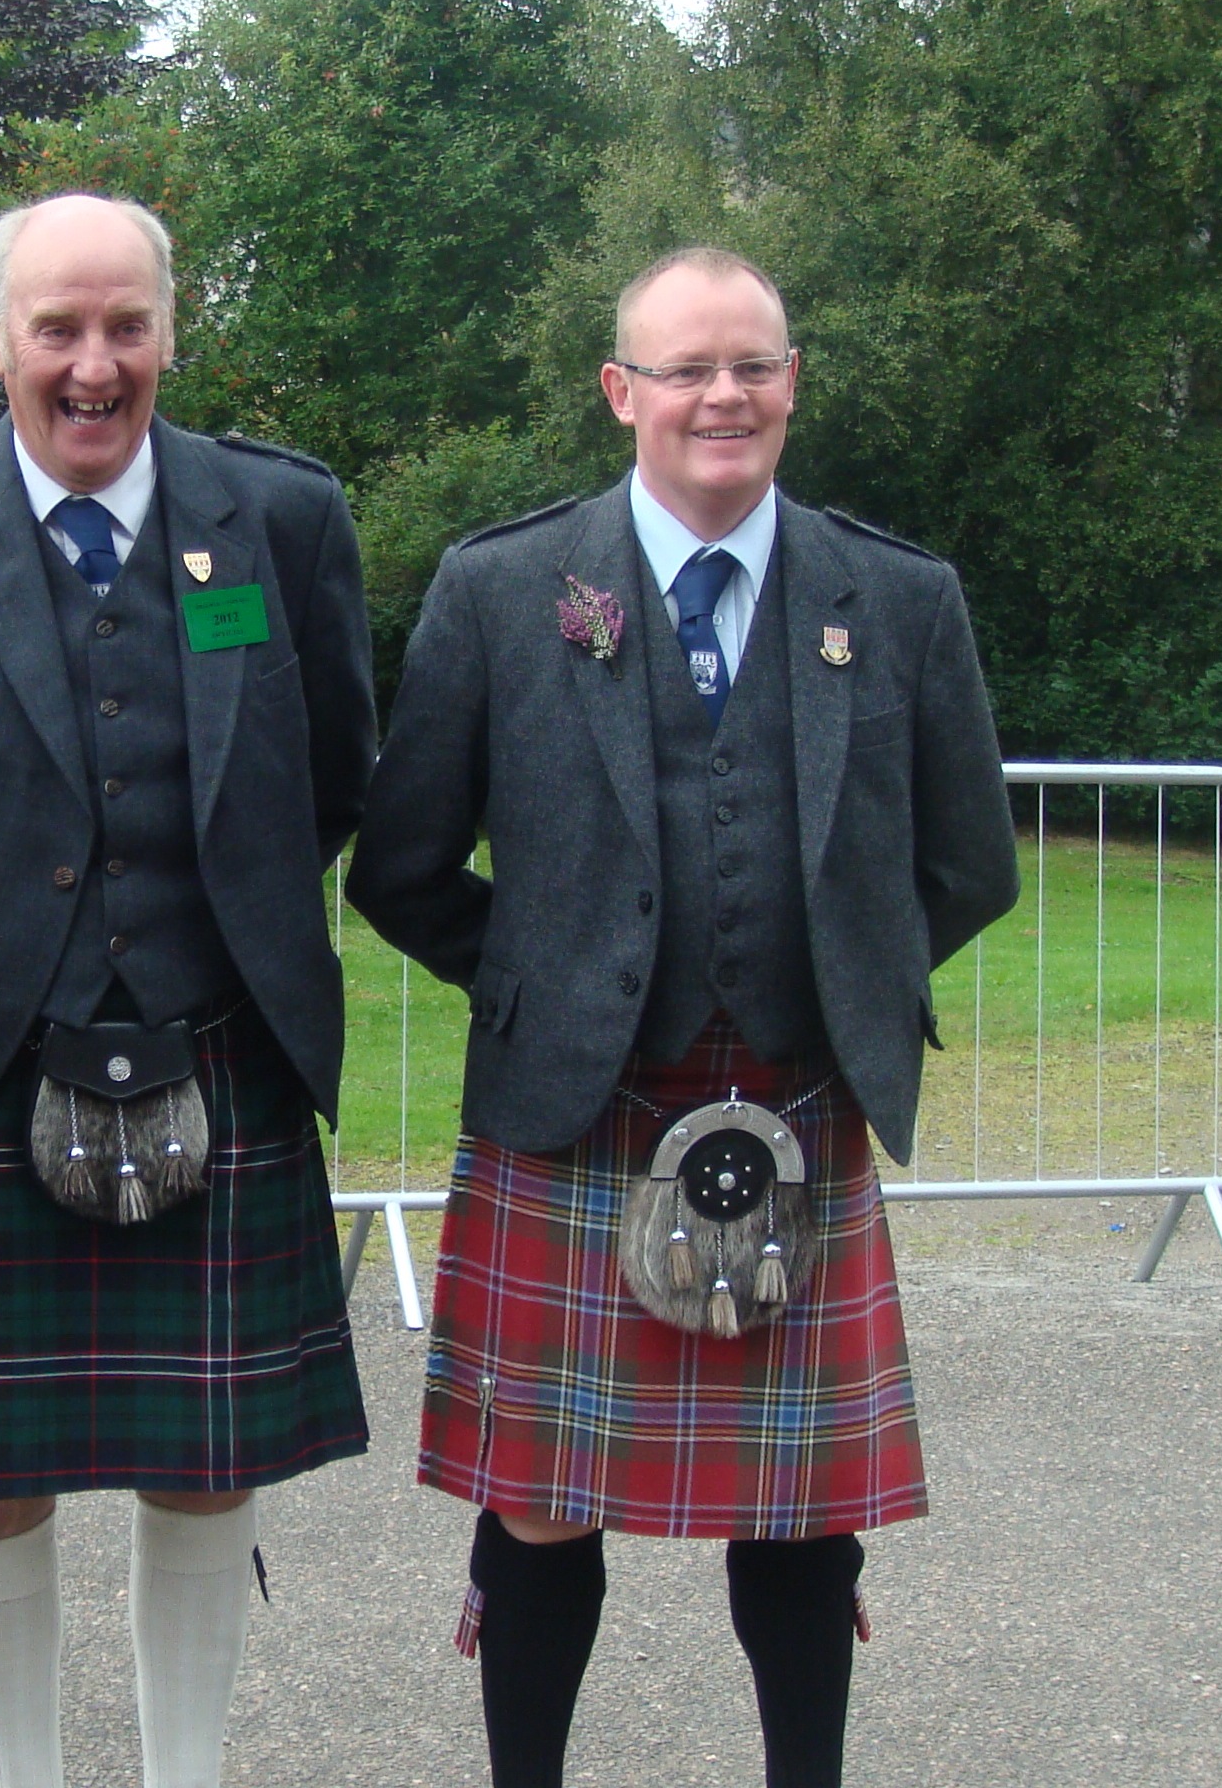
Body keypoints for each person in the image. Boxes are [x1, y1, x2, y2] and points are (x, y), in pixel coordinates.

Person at [348, 247, 1020, 1788]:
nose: (725, 395)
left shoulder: (895, 597)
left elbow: (971, 862)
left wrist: (850, 974)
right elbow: (401, 865)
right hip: (572, 1115)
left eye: (754, 366)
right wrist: (543, 982)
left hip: (797, 1103)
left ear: (792, 383)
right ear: (621, 391)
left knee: (800, 1513)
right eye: (688, 369)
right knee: (539, 1500)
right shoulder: (505, 588)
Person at [0, 194, 378, 1788]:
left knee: (206, 1458)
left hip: (220, 1038)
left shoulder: (283, 517)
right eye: (56, 326)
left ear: (169, 331)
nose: (94, 363)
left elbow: (333, 769)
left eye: (126, 324)